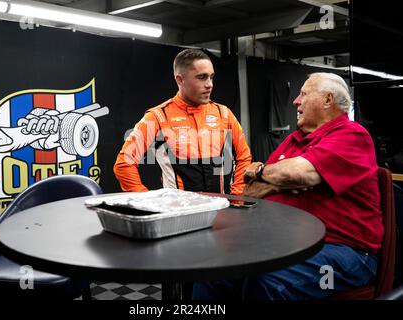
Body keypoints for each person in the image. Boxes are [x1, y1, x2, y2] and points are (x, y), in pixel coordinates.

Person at [193, 72, 384, 300]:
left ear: (327, 99)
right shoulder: (293, 140)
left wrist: (263, 171)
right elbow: (250, 191)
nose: (295, 101)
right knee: (215, 270)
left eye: (303, 94)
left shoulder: (352, 135)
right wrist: (282, 182)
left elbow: (297, 173)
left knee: (268, 281)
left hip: (347, 256)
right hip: (289, 244)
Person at [114, 49, 252, 195]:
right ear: (180, 80)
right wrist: (146, 201)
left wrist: (237, 197)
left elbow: (244, 158)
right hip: (178, 214)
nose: (209, 84)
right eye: (202, 77)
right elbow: (124, 164)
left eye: (211, 77)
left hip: (219, 210)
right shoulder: (158, 117)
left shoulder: (223, 114)